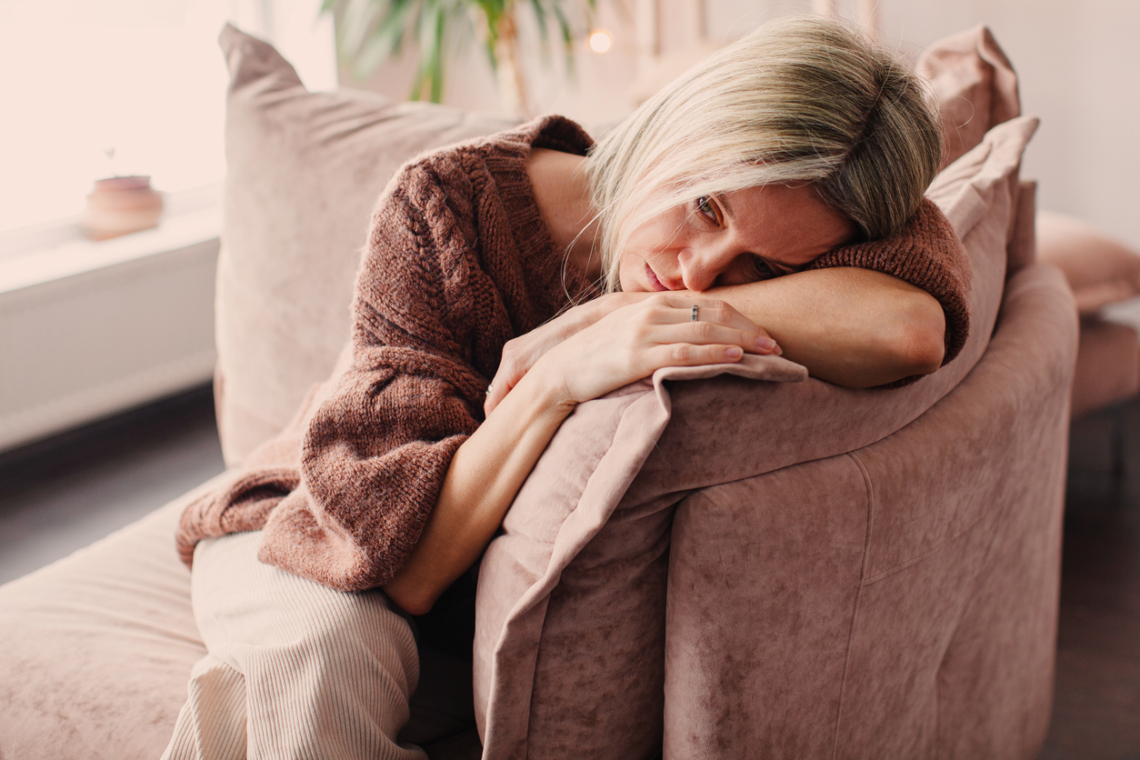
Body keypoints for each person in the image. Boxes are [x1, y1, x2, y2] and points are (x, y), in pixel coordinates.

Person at [164, 14, 968, 760]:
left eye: (763, 269)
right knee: (323, 651)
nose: (695, 270)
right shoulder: (440, 206)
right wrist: (551, 381)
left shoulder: (830, 202)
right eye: (705, 204)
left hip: (441, 600)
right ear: (687, 123)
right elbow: (404, 568)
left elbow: (907, 330)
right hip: (305, 522)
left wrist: (613, 316)